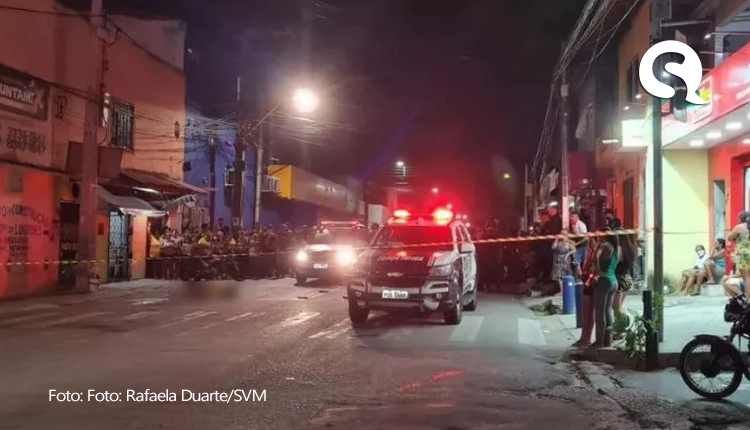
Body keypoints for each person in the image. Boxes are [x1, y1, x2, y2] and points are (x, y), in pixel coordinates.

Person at [592, 227, 620, 348]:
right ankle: (608, 340)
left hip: (604, 280)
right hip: (613, 280)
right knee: (608, 311)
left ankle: (599, 342)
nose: (598, 236)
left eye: (600, 234)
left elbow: (595, 257)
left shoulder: (604, 246)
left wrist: (598, 271)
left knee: (599, 313)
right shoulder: (616, 248)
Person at [573, 235, 600, 348]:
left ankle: (586, 338)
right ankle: (584, 337)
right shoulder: (590, 252)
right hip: (587, 282)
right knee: (586, 313)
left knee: (590, 313)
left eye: (591, 241)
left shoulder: (598, 252)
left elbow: (595, 268)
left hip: (592, 282)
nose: (589, 244)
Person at [548, 231, 576, 296]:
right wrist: (556, 239)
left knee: (567, 274)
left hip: (565, 260)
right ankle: (562, 291)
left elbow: (574, 250)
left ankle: (569, 289)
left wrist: (568, 254)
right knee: (559, 276)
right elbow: (553, 247)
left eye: (563, 234)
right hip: (558, 260)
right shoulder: (558, 242)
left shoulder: (568, 242)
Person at [728, 211, 750, 292]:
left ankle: (748, 298)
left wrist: (737, 239)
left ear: (740, 219)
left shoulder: (739, 227)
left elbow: (729, 238)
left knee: (747, 278)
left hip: (743, 255)